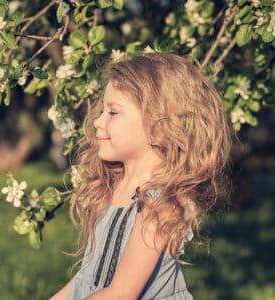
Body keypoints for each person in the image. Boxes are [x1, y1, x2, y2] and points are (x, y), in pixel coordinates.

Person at [50, 52, 233, 299]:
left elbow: (121, 294)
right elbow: (88, 275)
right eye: (102, 111)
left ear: (160, 127)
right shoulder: (111, 186)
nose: (97, 122)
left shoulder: (161, 203)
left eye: (113, 113)